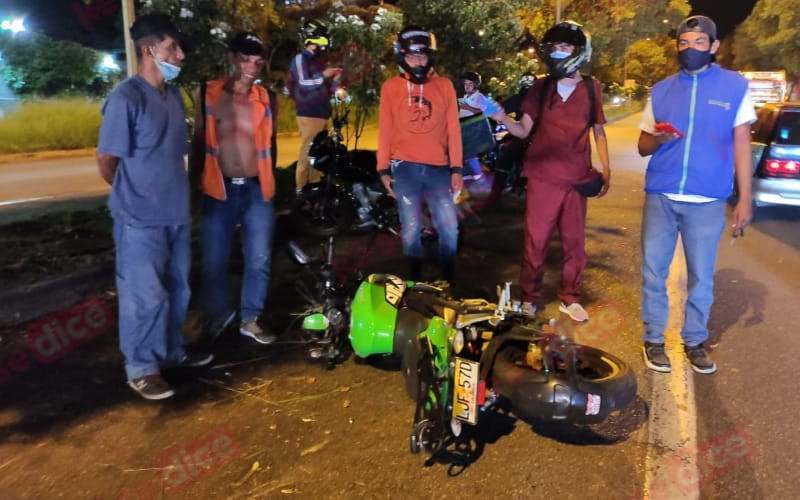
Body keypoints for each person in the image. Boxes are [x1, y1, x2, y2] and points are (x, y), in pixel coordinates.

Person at [96, 13, 212, 401]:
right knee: (144, 294)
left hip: (175, 214)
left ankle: (170, 353)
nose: (180, 55)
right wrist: (135, 195)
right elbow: (107, 161)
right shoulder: (125, 98)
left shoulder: (173, 97)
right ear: (149, 49)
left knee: (177, 289)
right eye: (172, 47)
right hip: (139, 219)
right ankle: (142, 368)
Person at [638, 15, 754, 375]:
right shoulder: (661, 90)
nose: (690, 49)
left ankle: (694, 341)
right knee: (653, 273)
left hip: (707, 200)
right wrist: (659, 139)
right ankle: (654, 339)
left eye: (699, 43)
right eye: (684, 43)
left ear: (714, 46)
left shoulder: (735, 87)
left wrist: (744, 199)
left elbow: (742, 144)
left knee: (702, 278)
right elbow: (643, 145)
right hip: (662, 194)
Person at [490, 20, 610, 322]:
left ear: (579, 52)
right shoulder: (541, 88)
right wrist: (501, 115)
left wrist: (607, 170)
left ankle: (570, 297)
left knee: (575, 244)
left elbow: (599, 132)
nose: (558, 52)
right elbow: (521, 131)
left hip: (576, 179)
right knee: (536, 241)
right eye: (554, 47)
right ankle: (530, 296)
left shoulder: (592, 89)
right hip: (543, 178)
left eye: (565, 47)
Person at [193, 31, 278, 345]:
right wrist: (194, 189)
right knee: (215, 259)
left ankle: (250, 318)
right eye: (245, 59)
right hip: (219, 189)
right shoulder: (209, 93)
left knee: (259, 259)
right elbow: (199, 141)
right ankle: (217, 317)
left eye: (257, 61)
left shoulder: (266, 97)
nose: (251, 67)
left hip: (257, 190)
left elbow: (271, 144)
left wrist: (271, 188)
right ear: (231, 58)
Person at [377, 26, 463, 282]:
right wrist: (383, 170)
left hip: (438, 169)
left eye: (423, 56)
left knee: (450, 229)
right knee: (411, 229)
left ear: (431, 57)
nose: (417, 61)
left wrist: (456, 169)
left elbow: (453, 130)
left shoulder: (445, 86)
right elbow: (385, 130)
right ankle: (415, 280)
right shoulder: (391, 88)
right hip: (405, 168)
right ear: (402, 57)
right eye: (412, 56)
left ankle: (447, 279)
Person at [288, 20, 342, 192]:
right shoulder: (300, 59)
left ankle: (316, 191)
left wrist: (336, 82)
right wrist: (324, 74)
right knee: (307, 155)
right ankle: (301, 192)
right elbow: (303, 82)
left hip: (323, 113)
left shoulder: (319, 62)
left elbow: (324, 87)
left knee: (320, 155)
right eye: (323, 42)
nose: (324, 47)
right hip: (309, 113)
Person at [458, 71, 492, 178]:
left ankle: (478, 175)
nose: (467, 86)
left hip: (474, 131)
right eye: (465, 84)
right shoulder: (465, 98)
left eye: (470, 84)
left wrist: (467, 107)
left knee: (470, 154)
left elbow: (481, 112)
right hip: (464, 129)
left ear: (476, 85)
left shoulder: (479, 97)